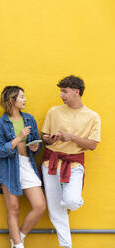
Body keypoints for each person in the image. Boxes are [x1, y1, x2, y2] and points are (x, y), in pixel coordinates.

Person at [41, 76, 101, 248]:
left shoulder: (93, 117)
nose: (61, 95)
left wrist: (72, 138)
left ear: (76, 92)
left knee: (72, 201)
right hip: (50, 164)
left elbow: (93, 145)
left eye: (65, 91)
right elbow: (44, 137)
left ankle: (69, 199)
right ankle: (66, 245)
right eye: (61, 91)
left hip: (74, 164)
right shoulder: (54, 112)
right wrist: (50, 139)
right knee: (55, 211)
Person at [0, 86, 46, 248]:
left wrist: (34, 147)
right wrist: (19, 138)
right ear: (12, 100)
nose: (25, 100)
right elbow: (1, 150)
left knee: (40, 206)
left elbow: (34, 143)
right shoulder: (0, 124)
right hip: (9, 167)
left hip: (27, 164)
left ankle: (19, 237)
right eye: (21, 97)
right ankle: (18, 245)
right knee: (13, 209)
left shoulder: (29, 119)